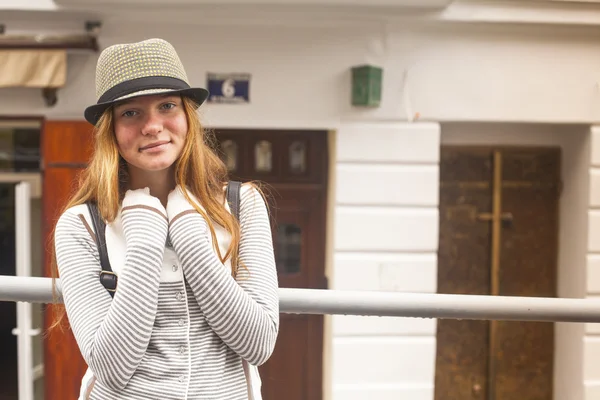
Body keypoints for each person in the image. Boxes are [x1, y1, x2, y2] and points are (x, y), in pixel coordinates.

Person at [50, 38, 279, 400]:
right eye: (131, 113)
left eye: (167, 106)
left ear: (188, 115)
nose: (152, 125)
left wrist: (188, 232)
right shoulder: (81, 225)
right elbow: (111, 366)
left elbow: (258, 344)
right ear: (110, 130)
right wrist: (145, 238)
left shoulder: (242, 205)